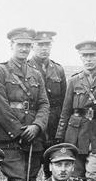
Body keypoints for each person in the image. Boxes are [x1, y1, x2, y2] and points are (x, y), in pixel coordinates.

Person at [0, 28, 50, 181]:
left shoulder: (36, 74)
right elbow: (0, 107)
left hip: (33, 138)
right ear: (11, 45)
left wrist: (37, 126)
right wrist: (20, 131)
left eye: (28, 45)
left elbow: (44, 104)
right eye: (20, 45)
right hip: (8, 138)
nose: (24, 49)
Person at [56, 40, 96, 181]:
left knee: (94, 175)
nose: (88, 59)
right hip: (75, 133)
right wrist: (60, 135)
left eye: (92, 55)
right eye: (85, 56)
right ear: (80, 57)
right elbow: (66, 111)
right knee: (75, 175)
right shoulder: (74, 80)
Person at [28, 31, 67, 167]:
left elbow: (64, 100)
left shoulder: (58, 69)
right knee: (35, 159)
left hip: (54, 121)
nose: (44, 48)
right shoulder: (27, 67)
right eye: (40, 44)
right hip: (36, 119)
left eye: (47, 45)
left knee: (54, 159)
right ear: (32, 46)